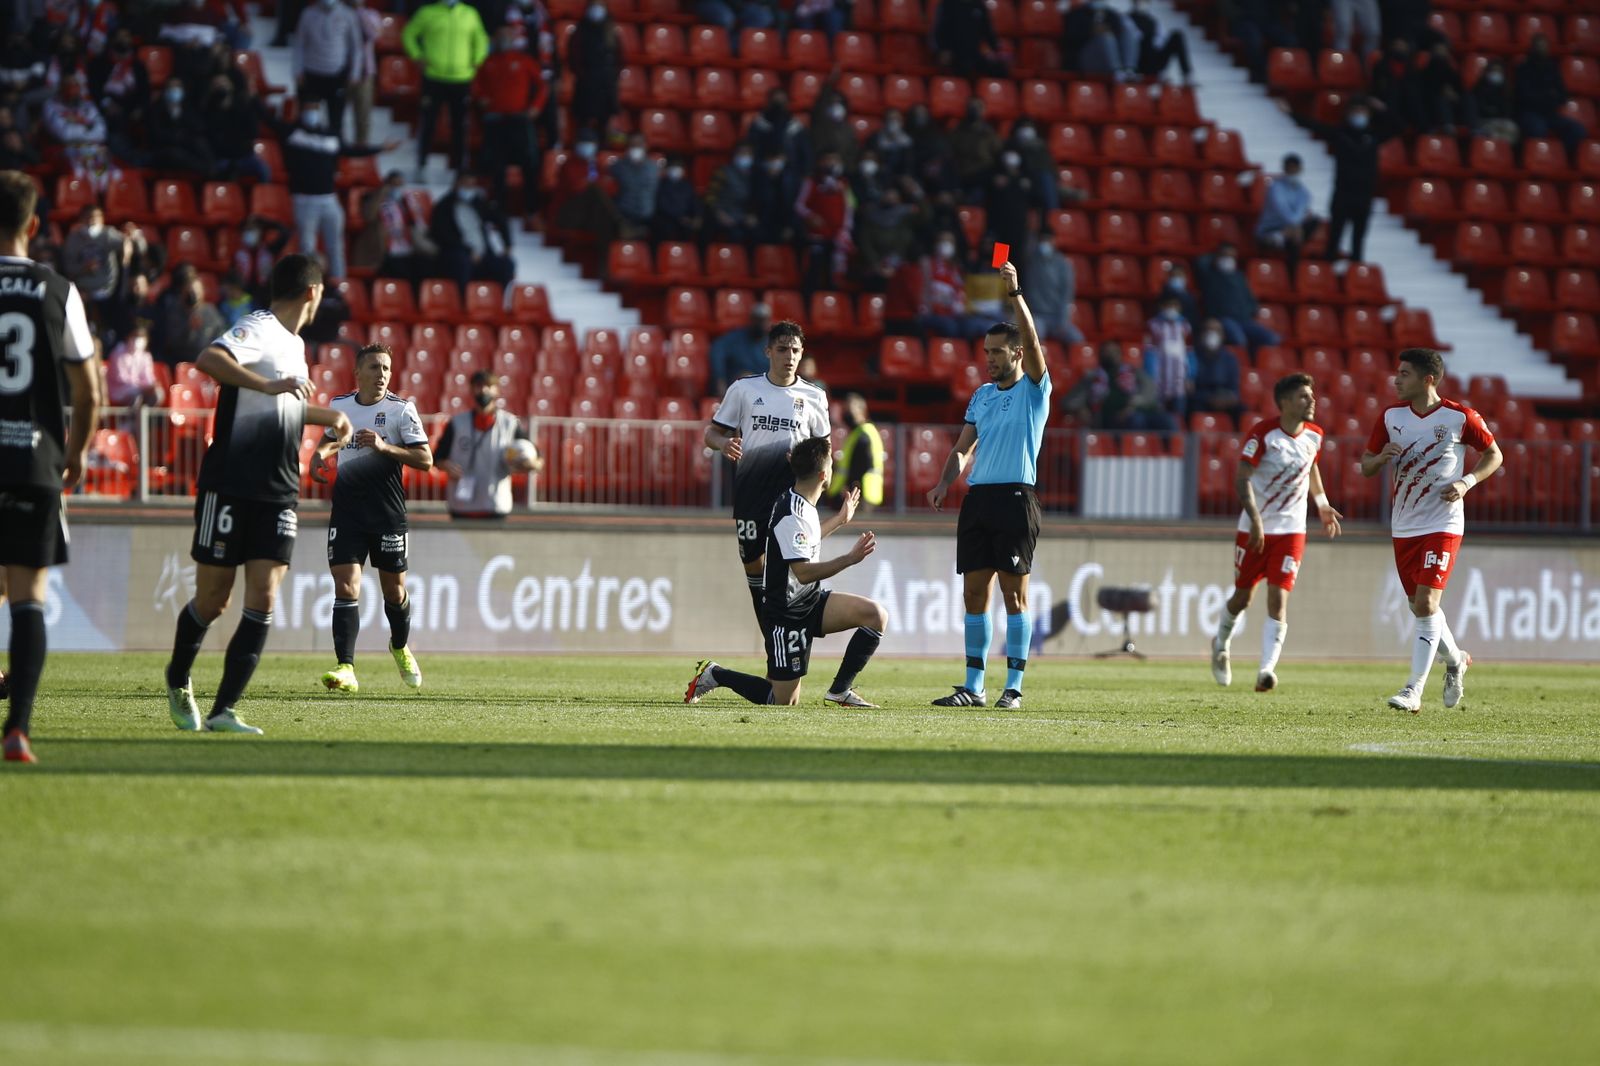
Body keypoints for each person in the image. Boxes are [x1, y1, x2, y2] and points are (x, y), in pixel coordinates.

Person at [163, 253, 354, 737]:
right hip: (230, 482)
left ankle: (224, 708)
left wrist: (326, 417)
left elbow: (282, 405)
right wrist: (270, 383)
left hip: (278, 490)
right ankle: (177, 677)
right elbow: (209, 359)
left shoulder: (296, 345)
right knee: (213, 600)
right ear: (312, 293)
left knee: (264, 597)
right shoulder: (261, 327)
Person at [0, 170, 101, 764]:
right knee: (28, 597)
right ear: (34, 226)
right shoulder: (57, 289)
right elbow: (88, 391)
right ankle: (19, 731)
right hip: (34, 458)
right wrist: (78, 451)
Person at [925, 260, 1048, 710]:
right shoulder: (980, 396)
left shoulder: (1035, 389)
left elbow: (1034, 340)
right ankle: (973, 687)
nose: (990, 358)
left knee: (1015, 596)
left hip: (1016, 499)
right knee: (973, 594)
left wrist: (1015, 295)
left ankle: (1013, 687)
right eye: (987, 351)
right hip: (978, 500)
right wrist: (944, 481)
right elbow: (962, 448)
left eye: (998, 351)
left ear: (1016, 353)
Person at [685, 438, 886, 709]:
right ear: (824, 475)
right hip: (786, 612)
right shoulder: (793, 512)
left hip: (809, 601)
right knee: (782, 702)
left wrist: (840, 519)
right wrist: (849, 559)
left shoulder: (802, 502)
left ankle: (840, 691)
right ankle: (715, 673)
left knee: (875, 615)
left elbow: (805, 543)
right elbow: (802, 572)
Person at [1361, 348, 1503, 713]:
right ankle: (1456, 660)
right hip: (1404, 524)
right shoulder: (1391, 417)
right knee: (1418, 606)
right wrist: (1379, 459)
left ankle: (1413, 691)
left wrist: (1466, 482)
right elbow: (1365, 465)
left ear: (1429, 379)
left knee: (1426, 603)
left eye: (1404, 373)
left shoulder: (1460, 417)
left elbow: (1494, 455)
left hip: (1443, 522)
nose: (1397, 379)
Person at [310, 343, 432, 694]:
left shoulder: (400, 410)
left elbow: (425, 459)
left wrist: (383, 448)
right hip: (347, 511)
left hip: (387, 514)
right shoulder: (339, 407)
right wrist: (319, 457)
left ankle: (399, 645)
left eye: (386, 369)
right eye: (375, 368)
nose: (381, 375)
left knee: (394, 592)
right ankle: (346, 666)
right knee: (346, 587)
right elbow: (330, 441)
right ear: (358, 373)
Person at [1209, 373, 1342, 693]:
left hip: (1292, 530)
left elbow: (1311, 466)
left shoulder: (1315, 435)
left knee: (1278, 597)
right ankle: (1221, 643)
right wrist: (1255, 519)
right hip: (1255, 529)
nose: (1311, 401)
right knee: (1243, 597)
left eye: (1311, 396)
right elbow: (1242, 478)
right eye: (1303, 397)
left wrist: (1322, 503)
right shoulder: (1263, 435)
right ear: (1284, 403)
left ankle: (1266, 670)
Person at [704, 320, 831, 629]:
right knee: (753, 569)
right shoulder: (744, 389)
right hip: (751, 495)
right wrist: (723, 444)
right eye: (783, 349)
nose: (789, 356)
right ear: (768, 352)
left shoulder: (814, 397)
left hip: (792, 500)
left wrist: (821, 484)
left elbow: (824, 449)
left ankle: (781, 644)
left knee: (788, 572)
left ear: (802, 355)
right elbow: (712, 433)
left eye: (796, 350)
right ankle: (771, 636)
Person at [277, 99, 396, 282]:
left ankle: (339, 284)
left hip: (329, 199)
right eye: (308, 108)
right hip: (304, 199)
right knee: (307, 247)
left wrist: (379, 148)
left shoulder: (331, 136)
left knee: (336, 246)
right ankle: (306, 286)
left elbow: (351, 151)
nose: (312, 112)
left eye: (315, 108)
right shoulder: (293, 133)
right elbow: (269, 120)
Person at [436, 371, 540, 519]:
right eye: (479, 386)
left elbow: (536, 457)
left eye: (489, 386)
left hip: (495, 505)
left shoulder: (510, 423)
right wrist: (446, 465)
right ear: (471, 389)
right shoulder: (456, 423)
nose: (484, 390)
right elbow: (437, 457)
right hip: (461, 506)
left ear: (496, 390)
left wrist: (530, 464)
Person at [403, 0, 490, 173]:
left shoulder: (470, 13)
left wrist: (476, 60)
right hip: (433, 77)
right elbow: (408, 34)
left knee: (459, 125)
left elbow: (481, 38)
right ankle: (422, 163)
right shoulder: (427, 12)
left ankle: (458, 167)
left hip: (461, 78)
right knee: (428, 122)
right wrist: (416, 55)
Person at [471, 25, 546, 214]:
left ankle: (531, 209)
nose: (504, 39)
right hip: (495, 121)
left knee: (529, 164)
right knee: (497, 166)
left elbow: (542, 87)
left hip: (519, 121)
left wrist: (535, 107)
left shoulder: (525, 61)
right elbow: (475, 85)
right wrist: (481, 99)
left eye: (507, 36)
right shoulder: (488, 62)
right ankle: (499, 209)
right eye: (500, 36)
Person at [1309, 98, 1394, 263]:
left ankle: (1355, 272)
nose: (1359, 115)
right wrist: (1290, 114)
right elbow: (1315, 126)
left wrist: (1383, 109)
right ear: (1348, 114)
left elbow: (1398, 126)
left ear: (1369, 115)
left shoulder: (1374, 136)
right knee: (1335, 237)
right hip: (1343, 195)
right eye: (1356, 112)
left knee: (1358, 240)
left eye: (1363, 112)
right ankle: (1328, 273)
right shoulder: (1341, 134)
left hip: (1364, 196)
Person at [428, 171, 516, 291]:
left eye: (472, 185)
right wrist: (469, 251)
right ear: (456, 184)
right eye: (466, 185)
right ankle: (464, 303)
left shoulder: (478, 203)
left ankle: (496, 301)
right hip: (457, 253)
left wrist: (507, 245)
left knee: (506, 264)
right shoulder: (444, 207)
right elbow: (442, 235)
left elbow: (500, 219)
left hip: (482, 254)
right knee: (461, 262)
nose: (469, 189)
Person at [1060, 339, 1172, 432]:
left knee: (1167, 420)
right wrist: (1081, 408)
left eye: (1114, 351)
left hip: (1139, 410)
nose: (1110, 354)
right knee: (1136, 420)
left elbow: (1150, 391)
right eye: (1106, 351)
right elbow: (1068, 401)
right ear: (1100, 355)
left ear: (1120, 354)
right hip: (1110, 419)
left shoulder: (1134, 372)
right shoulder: (1092, 377)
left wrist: (1133, 405)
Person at [292, 0, 363, 139]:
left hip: (336, 75)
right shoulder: (307, 14)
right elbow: (299, 44)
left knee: (336, 124)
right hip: (311, 75)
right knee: (307, 122)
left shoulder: (349, 15)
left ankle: (333, 157)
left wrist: (355, 73)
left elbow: (356, 48)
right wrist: (297, 70)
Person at [1195, 241, 1279, 354]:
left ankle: (1256, 366)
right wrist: (1214, 259)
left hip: (1244, 320)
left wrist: (1249, 311)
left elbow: (1250, 299)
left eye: (1232, 256)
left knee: (1272, 339)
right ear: (1218, 256)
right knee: (1239, 339)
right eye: (1225, 255)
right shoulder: (1210, 274)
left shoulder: (1239, 276)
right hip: (1223, 319)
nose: (1229, 259)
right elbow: (1200, 262)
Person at [1514, 33, 1586, 162]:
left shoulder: (1552, 69)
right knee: (1538, 129)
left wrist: (1547, 98)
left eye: (1544, 46)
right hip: (1530, 113)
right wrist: (1548, 97)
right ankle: (1534, 159)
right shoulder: (1523, 69)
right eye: (1538, 45)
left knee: (1577, 130)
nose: (1541, 48)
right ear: (1532, 47)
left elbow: (1562, 96)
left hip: (1550, 114)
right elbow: (1524, 96)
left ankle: (1561, 158)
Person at [1255, 153, 1321, 275]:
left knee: (1314, 221)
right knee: (1294, 240)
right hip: (1270, 228)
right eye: (1289, 168)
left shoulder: (1304, 192)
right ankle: (1292, 277)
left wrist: (1293, 228)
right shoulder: (1275, 187)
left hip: (1291, 231)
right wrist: (1295, 227)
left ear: (1300, 169)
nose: (1292, 171)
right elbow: (1282, 210)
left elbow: (1300, 213)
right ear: (1284, 168)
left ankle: (1281, 237)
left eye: (1295, 168)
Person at [568, 0, 621, 139]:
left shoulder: (611, 30)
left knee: (604, 125)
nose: (597, 9)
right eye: (594, 5)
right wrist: (584, 76)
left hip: (606, 86)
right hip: (586, 85)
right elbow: (573, 58)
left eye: (600, 6)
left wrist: (612, 75)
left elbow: (620, 58)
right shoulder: (580, 31)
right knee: (583, 125)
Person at [829, 393, 884, 511]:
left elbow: (862, 464)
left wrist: (851, 485)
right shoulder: (858, 433)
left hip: (862, 495)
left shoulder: (864, 434)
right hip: (861, 494)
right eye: (845, 410)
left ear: (862, 411)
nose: (846, 414)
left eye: (850, 410)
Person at [1142, 292, 1191, 423]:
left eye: (1174, 306)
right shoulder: (1153, 325)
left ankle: (1178, 440)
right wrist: (1151, 375)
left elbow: (1189, 352)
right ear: (1162, 307)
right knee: (1160, 417)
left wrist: (1190, 375)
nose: (1171, 308)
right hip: (1159, 378)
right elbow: (1149, 349)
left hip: (1179, 379)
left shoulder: (1185, 326)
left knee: (1178, 416)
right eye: (1168, 305)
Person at [1026, 234, 1082, 345]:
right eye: (1042, 241)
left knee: (1078, 339)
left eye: (1047, 240)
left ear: (1053, 241)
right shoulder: (1032, 262)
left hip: (1057, 317)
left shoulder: (1062, 264)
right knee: (1034, 339)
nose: (1044, 244)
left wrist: (1062, 320)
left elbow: (1067, 295)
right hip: (1038, 316)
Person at [932, 0, 1007, 78]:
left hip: (974, 54)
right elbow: (938, 32)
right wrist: (941, 50)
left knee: (1000, 69)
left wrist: (995, 49)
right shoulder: (947, 4)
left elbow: (988, 32)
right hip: (954, 54)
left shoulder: (979, 5)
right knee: (963, 68)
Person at [710, 302, 771, 396]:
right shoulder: (735, 338)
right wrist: (720, 379)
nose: (760, 324)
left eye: (763, 320)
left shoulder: (773, 343)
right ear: (751, 319)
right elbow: (717, 351)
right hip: (736, 389)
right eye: (757, 319)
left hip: (765, 391)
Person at [1128, 0, 1192, 82]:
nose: (1141, 3)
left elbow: (1161, 40)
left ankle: (1187, 75)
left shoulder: (1152, 21)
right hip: (1138, 61)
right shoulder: (1127, 19)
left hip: (1153, 60)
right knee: (1146, 39)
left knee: (1177, 36)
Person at [1190, 319, 1242, 418]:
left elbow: (1234, 389)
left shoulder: (1230, 359)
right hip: (1201, 400)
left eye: (1216, 330)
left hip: (1224, 399)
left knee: (1242, 411)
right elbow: (1190, 389)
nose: (1212, 334)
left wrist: (1228, 399)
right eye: (1208, 330)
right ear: (1201, 334)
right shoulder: (1192, 356)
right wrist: (1209, 399)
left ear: (1222, 336)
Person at [610, 131, 659, 236]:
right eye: (633, 145)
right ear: (627, 147)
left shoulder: (653, 168)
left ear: (646, 146)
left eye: (639, 144)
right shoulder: (618, 167)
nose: (636, 148)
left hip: (648, 216)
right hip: (626, 216)